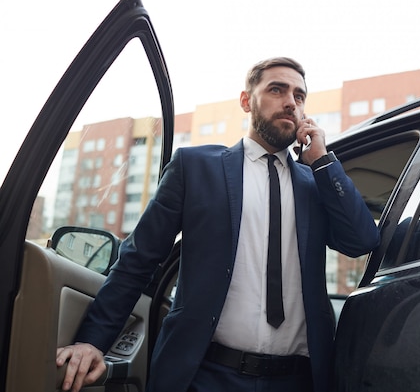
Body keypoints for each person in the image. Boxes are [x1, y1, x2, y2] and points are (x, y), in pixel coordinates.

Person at [56, 57, 380, 392]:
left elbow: (361, 240)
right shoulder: (194, 168)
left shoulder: (316, 183)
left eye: (299, 96)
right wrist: (92, 341)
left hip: (298, 380)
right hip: (207, 376)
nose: (290, 102)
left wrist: (324, 161)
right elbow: (139, 260)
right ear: (246, 101)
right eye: (276, 89)